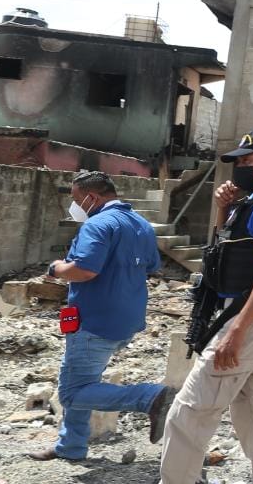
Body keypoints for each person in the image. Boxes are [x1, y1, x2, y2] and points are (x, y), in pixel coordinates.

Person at [103, 129, 253, 484]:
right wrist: (222, 211)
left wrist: (236, 328)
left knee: (186, 417)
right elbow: (225, 257)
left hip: (248, 322)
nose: (239, 169)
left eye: (247, 163)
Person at [30, 170, 173, 462]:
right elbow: (151, 266)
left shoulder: (98, 224)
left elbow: (84, 270)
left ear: (91, 197)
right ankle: (71, 446)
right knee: (82, 380)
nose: (75, 207)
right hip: (125, 318)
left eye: (76, 200)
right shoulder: (141, 224)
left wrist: (56, 268)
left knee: (72, 393)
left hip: (94, 320)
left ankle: (150, 397)